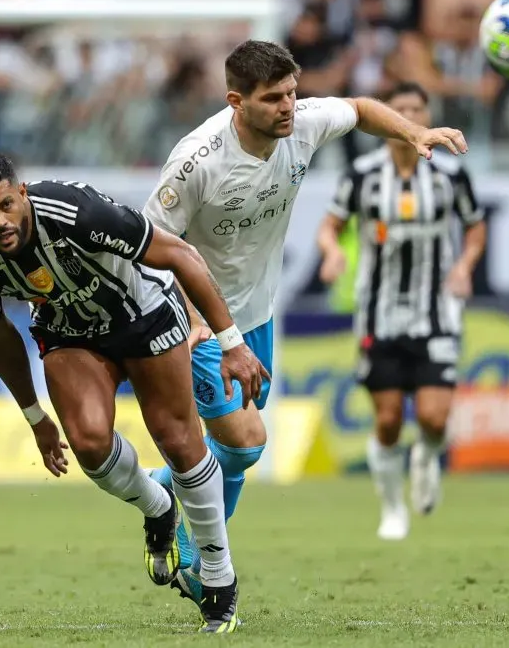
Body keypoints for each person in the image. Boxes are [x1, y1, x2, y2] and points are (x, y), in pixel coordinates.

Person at [141, 42, 468, 599]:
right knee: (245, 444)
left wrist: (412, 133)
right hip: (198, 319)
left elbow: (360, 108)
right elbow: (151, 246)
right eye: (274, 98)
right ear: (237, 102)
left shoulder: (304, 124)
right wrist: (195, 318)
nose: (289, 106)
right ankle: (202, 561)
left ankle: (163, 493)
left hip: (257, 314)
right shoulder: (196, 161)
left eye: (292, 93)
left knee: (234, 454)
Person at [0, 152, 268, 633]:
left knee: (179, 442)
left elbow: (180, 255)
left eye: (6, 205)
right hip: (68, 332)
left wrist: (232, 344)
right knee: (90, 445)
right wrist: (34, 416)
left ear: (22, 192)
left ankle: (219, 578)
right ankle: (158, 507)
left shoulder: (78, 212)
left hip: (144, 313)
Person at [315, 82, 487, 541]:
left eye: (417, 108)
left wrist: (465, 265)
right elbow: (330, 226)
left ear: (428, 116)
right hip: (379, 313)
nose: (410, 115)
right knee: (388, 419)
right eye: (401, 109)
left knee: (434, 418)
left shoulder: (451, 174)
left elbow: (475, 227)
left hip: (437, 312)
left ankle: (426, 456)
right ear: (388, 119)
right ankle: (392, 509)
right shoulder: (362, 175)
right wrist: (332, 251)